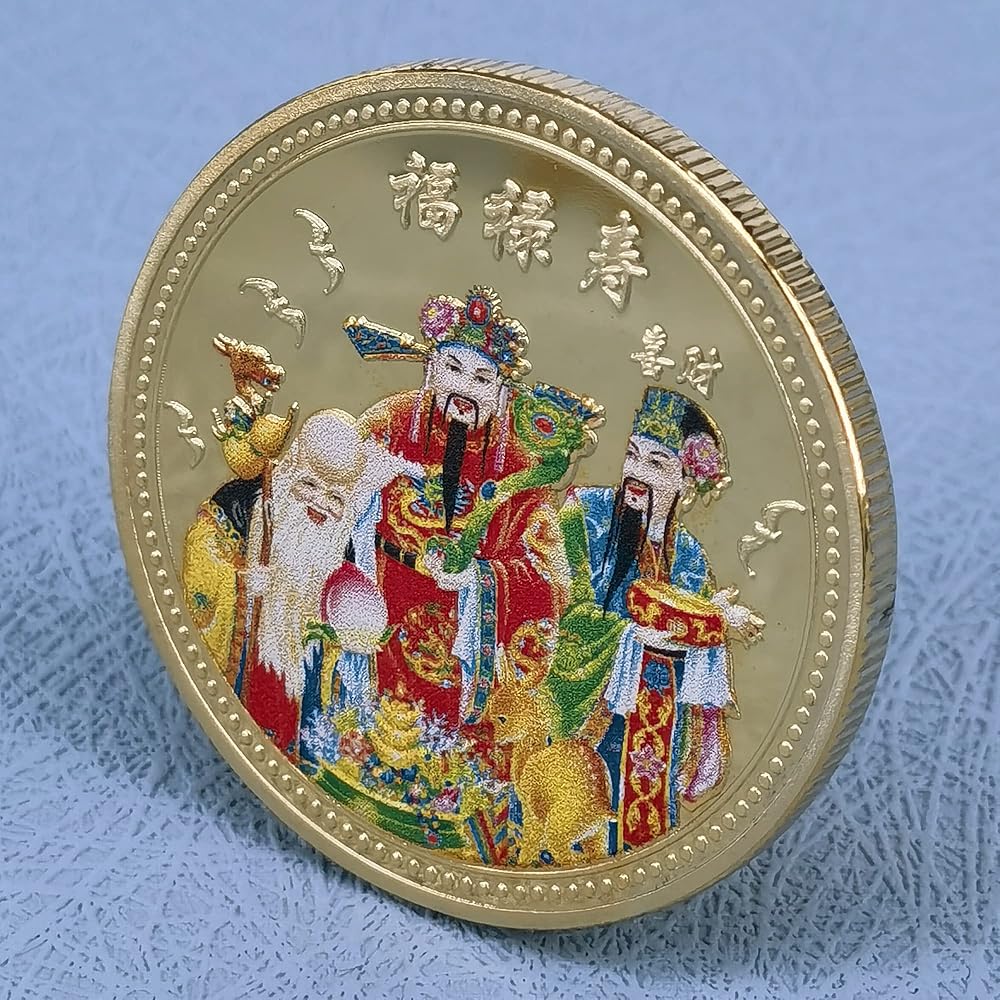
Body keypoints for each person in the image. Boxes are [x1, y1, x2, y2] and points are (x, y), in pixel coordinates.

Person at [544, 386, 763, 855]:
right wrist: (632, 636)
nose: (637, 474)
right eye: (633, 456)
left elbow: (697, 635)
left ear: (685, 483)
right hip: (586, 709)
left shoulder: (690, 557)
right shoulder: (584, 514)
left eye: (658, 465)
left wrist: (713, 623)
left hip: (656, 723)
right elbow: (561, 609)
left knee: (640, 826)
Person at [344, 286, 567, 736]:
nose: (465, 389)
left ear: (502, 393)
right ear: (431, 370)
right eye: (453, 369)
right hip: (380, 600)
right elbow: (335, 496)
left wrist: (479, 578)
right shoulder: (390, 421)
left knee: (450, 750)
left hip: (467, 629)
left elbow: (549, 575)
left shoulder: (520, 464)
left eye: (482, 379)